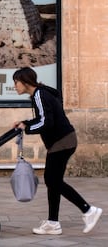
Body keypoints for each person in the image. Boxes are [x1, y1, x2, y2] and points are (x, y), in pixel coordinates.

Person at [12, 67, 102, 235]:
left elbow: (47, 122)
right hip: (63, 141)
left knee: (53, 181)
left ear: (24, 82)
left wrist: (27, 128)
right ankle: (53, 223)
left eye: (16, 82)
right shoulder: (39, 94)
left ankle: (88, 210)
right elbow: (43, 118)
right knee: (53, 181)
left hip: (62, 142)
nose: (15, 86)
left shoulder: (39, 95)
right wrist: (25, 123)